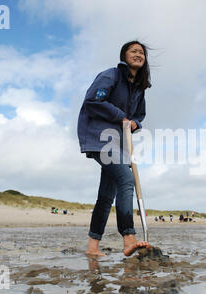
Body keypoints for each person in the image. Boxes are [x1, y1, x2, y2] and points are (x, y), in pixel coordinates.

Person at [77, 40, 152, 257]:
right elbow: (93, 101)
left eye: (142, 52)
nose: (138, 54)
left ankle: (92, 247)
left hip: (120, 144)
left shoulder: (139, 88)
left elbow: (139, 115)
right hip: (99, 138)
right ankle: (128, 237)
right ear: (124, 55)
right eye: (133, 51)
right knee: (126, 179)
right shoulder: (110, 76)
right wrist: (121, 116)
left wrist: (136, 122)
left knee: (106, 195)